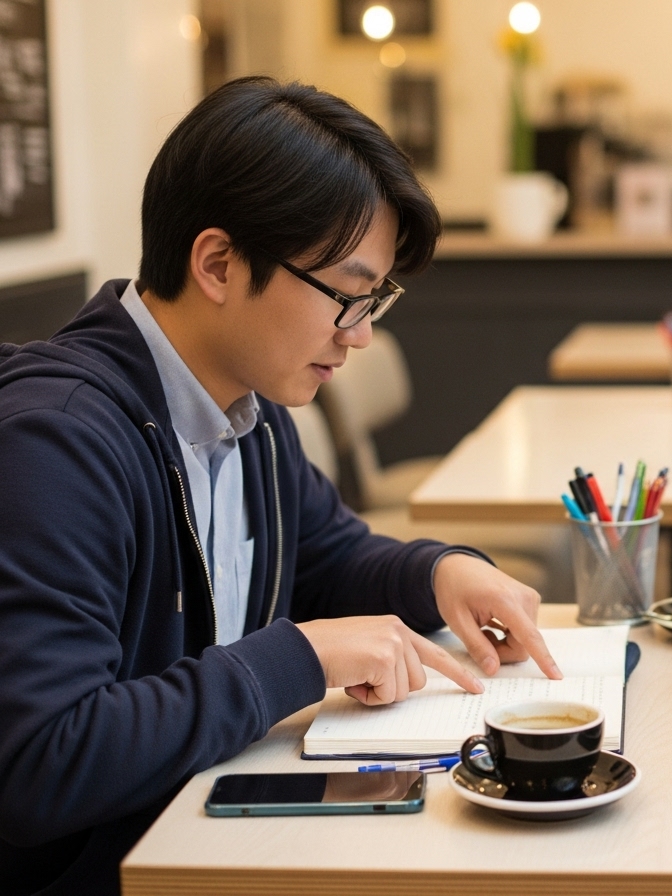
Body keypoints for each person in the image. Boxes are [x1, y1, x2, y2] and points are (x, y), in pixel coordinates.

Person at [0, 77, 561, 896]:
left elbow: (327, 556)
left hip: (211, 836)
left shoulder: (251, 413)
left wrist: (439, 572)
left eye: (375, 300)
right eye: (345, 296)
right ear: (218, 264)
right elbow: (41, 760)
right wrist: (299, 657)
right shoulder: (58, 443)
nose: (359, 335)